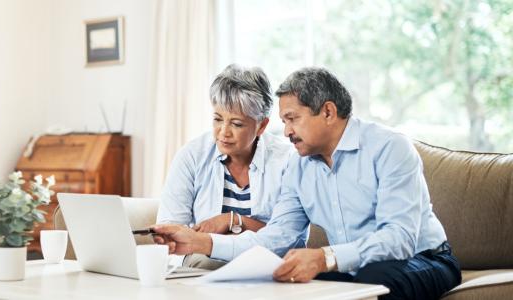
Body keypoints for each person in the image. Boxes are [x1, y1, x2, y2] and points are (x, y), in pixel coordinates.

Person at [153, 67, 461, 299]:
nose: (285, 132)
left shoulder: (389, 147)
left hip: (424, 258)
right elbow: (277, 238)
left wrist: (326, 257)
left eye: (292, 119)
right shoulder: (299, 166)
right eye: (284, 121)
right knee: (298, 286)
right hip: (353, 267)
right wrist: (202, 243)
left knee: (371, 280)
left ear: (328, 112)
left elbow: (399, 239)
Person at [156, 64, 303, 269]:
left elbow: (287, 237)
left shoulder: (287, 161)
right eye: (217, 119)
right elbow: (170, 230)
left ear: (261, 125)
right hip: (204, 262)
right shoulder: (191, 156)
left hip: (265, 263)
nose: (223, 132)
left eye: (236, 124)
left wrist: (232, 220)